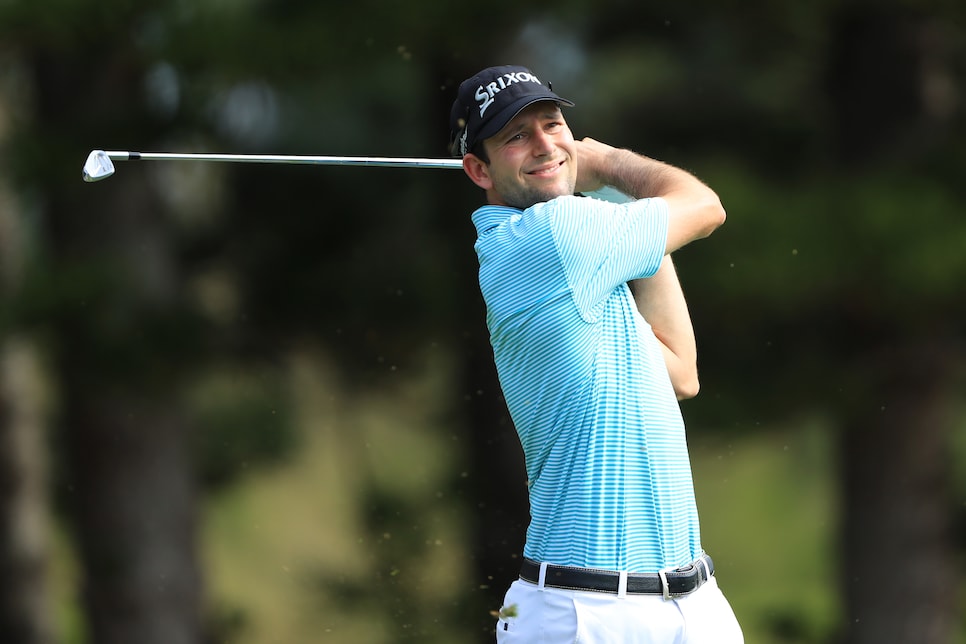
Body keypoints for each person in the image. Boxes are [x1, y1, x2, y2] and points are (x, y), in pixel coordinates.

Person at [448, 65, 743, 643]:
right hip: (585, 613)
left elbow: (681, 372)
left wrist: (614, 198)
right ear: (478, 170)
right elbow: (704, 206)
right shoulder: (552, 238)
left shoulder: (586, 260)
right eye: (516, 136)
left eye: (552, 125)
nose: (544, 144)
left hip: (693, 602)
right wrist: (608, 164)